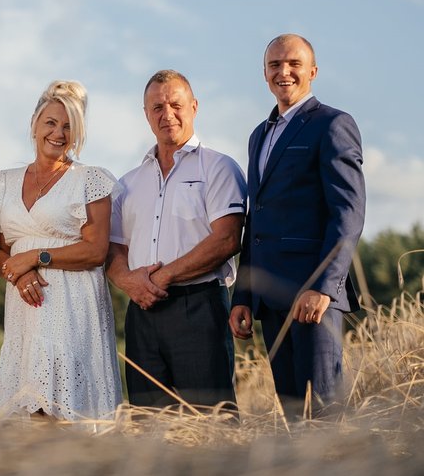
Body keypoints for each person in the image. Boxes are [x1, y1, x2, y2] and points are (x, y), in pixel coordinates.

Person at [229, 34, 366, 417]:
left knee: (322, 416)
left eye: (294, 64)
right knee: (293, 419)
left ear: (313, 71)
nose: (283, 72)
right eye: (275, 65)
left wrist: (323, 287)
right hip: (271, 301)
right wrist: (243, 295)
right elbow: (256, 220)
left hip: (313, 298)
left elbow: (348, 213)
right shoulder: (259, 135)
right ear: (265, 73)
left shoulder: (333, 124)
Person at [106, 70, 247, 409]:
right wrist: (128, 281)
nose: (167, 114)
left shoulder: (219, 168)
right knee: (148, 421)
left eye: (175, 105)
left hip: (199, 308)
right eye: (157, 107)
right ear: (146, 114)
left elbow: (227, 239)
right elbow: (113, 247)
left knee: (210, 419)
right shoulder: (127, 183)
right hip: (142, 313)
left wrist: (162, 277)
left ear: (194, 107)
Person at [0, 80, 122, 421]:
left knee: (65, 408)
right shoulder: (2, 182)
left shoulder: (90, 179)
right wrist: (18, 275)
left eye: (68, 126)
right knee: (28, 408)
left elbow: (96, 250)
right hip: (25, 306)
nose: (58, 133)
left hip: (73, 304)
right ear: (34, 124)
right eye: (51, 122)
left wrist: (36, 257)